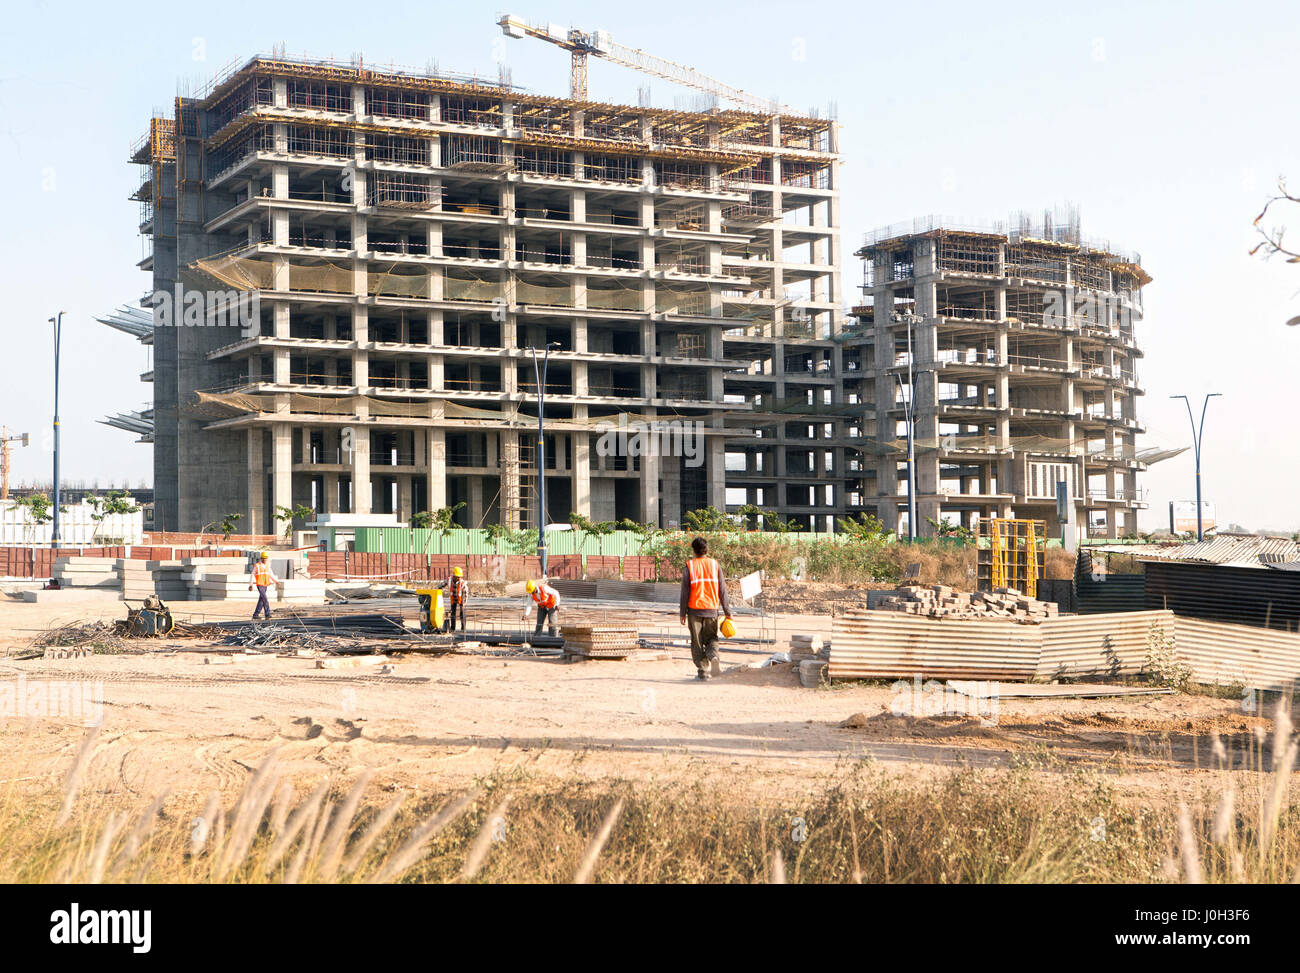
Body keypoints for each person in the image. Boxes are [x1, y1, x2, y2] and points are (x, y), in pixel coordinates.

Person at [679, 536, 732, 681]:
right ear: (706, 549)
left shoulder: (690, 566)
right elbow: (722, 590)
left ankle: (702, 670)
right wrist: (727, 612)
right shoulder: (715, 565)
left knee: (697, 642)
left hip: (694, 611)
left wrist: (682, 613)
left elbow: (685, 592)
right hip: (712, 610)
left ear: (694, 550)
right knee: (711, 638)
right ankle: (714, 656)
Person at [247, 551, 278, 621]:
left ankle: (256, 614)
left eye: (265, 558)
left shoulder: (268, 566)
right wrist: (251, 585)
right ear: (261, 558)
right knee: (265, 599)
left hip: (265, 584)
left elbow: (271, 574)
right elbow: (252, 575)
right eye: (263, 558)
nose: (264, 559)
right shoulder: (257, 566)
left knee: (261, 600)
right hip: (260, 585)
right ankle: (267, 614)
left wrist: (276, 581)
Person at [444, 566, 468, 633]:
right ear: (454, 576)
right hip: (453, 599)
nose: (459, 578)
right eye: (457, 577)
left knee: (462, 613)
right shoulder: (449, 580)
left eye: (460, 577)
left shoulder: (462, 583)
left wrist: (463, 604)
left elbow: (466, 594)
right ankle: (452, 628)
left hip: (461, 599)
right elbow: (442, 585)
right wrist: (436, 589)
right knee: (453, 614)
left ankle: (463, 629)